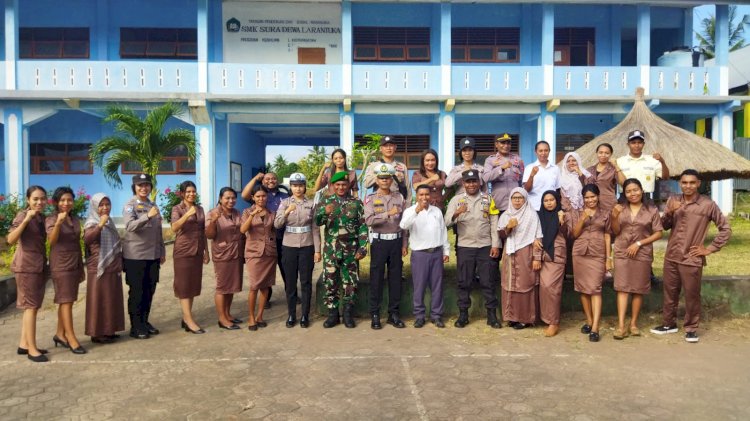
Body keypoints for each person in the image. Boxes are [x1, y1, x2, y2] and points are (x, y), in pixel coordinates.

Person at [651, 169, 731, 343]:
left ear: (698, 184)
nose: (688, 186)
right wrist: (669, 211)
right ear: (680, 183)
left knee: (692, 294)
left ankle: (691, 328)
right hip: (672, 255)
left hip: (691, 257)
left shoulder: (707, 204)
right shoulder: (673, 200)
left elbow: (725, 228)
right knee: (670, 292)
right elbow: (664, 226)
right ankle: (668, 324)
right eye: (684, 182)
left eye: (692, 183)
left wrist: (710, 249)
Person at [445, 169, 501, 329]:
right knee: (464, 281)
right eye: (468, 182)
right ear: (463, 183)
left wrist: (495, 244)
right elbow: (446, 222)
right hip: (465, 246)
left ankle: (491, 315)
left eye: (474, 181)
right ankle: (463, 314)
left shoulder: (488, 199)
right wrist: (456, 213)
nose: (471, 184)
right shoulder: (456, 200)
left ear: (479, 182)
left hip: (485, 246)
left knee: (488, 281)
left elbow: (494, 222)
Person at [611, 179, 663, 340]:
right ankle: (620, 326)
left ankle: (633, 324)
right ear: (624, 194)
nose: (632, 194)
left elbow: (658, 233)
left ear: (642, 190)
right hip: (622, 251)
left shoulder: (651, 210)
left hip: (642, 253)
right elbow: (615, 231)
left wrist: (639, 243)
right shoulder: (620, 208)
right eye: (628, 191)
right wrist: (614, 217)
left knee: (638, 288)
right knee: (622, 288)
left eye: (635, 190)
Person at [315, 171, 368, 328]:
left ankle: (347, 314)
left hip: (351, 251)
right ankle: (332, 314)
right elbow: (317, 221)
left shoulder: (356, 203)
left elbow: (363, 227)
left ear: (348, 185)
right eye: (337, 185)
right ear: (332, 185)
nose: (341, 187)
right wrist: (324, 212)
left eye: (344, 185)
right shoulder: (326, 201)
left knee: (350, 282)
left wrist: (362, 247)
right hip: (331, 250)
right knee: (330, 280)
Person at [274, 173, 321, 328]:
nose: (298, 188)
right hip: (289, 246)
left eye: (300, 185)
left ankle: (305, 316)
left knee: (306, 282)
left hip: (307, 247)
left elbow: (315, 229)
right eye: (294, 185)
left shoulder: (312, 204)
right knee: (291, 283)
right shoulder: (284, 203)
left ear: (304, 187)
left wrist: (317, 250)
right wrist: (287, 211)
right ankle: (291, 315)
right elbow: (277, 224)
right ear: (291, 187)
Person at [122, 173, 166, 339]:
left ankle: (145, 321)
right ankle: (136, 326)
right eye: (140, 185)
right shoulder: (130, 205)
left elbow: (158, 231)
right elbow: (129, 226)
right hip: (136, 256)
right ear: (134, 187)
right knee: (137, 291)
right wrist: (147, 216)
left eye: (147, 185)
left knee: (150, 289)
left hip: (152, 255)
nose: (144, 188)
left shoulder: (153, 204)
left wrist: (161, 251)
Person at [8, 186, 49, 362]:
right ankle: (32, 349)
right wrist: (26, 220)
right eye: (35, 199)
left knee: (33, 306)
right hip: (26, 267)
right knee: (30, 307)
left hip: (38, 266)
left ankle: (24, 344)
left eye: (42, 199)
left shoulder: (41, 218)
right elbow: (10, 240)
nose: (39, 202)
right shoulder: (23, 215)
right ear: (28, 200)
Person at [364, 163, 407, 330]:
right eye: (381, 178)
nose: (384, 180)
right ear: (376, 179)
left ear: (391, 179)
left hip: (396, 241)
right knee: (376, 278)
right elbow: (368, 220)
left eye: (387, 178)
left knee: (395, 278)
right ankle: (375, 313)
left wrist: (404, 243)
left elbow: (403, 223)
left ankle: (393, 313)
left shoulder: (399, 198)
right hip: (380, 242)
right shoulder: (371, 198)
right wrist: (386, 214)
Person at [400, 185, 450, 328]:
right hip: (420, 254)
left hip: (436, 253)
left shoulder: (437, 211)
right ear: (417, 195)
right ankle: (419, 315)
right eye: (421, 194)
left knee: (437, 286)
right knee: (419, 286)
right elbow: (403, 225)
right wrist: (416, 211)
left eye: (427, 194)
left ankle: (436, 315)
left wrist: (446, 251)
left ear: (430, 196)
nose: (424, 197)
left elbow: (443, 232)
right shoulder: (410, 211)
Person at [46, 186, 86, 354]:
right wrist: (58, 223)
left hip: (74, 263)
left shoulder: (75, 219)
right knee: (66, 301)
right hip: (60, 265)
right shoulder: (51, 219)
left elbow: (77, 243)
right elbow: (52, 241)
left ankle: (60, 334)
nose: (66, 203)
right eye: (62, 200)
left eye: (69, 200)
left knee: (67, 300)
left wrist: (80, 267)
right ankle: (71, 338)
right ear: (56, 202)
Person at [241, 171, 289, 308]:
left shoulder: (284, 196)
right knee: (264, 270)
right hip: (264, 239)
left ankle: (291, 293)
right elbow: (244, 195)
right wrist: (255, 178)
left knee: (286, 268)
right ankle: (266, 299)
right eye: (267, 179)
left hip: (284, 237)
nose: (270, 181)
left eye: (273, 178)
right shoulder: (260, 194)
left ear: (277, 180)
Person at [571, 184, 612, 342]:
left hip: (597, 253)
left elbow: (608, 236)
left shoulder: (606, 214)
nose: (590, 200)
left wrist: (608, 259)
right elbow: (574, 234)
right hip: (580, 253)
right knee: (583, 289)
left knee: (595, 289)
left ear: (598, 196)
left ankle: (595, 327)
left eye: (593, 196)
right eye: (587, 197)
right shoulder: (578, 213)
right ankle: (589, 320)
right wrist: (582, 218)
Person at [498, 188, 542, 330]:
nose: (517, 200)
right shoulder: (506, 214)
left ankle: (525, 318)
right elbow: (501, 235)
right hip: (509, 254)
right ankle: (511, 317)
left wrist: (537, 257)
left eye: (520, 197)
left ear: (525, 199)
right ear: (510, 199)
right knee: (510, 284)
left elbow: (538, 236)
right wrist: (508, 228)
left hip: (526, 252)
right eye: (514, 197)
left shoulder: (531, 215)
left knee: (525, 284)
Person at [84, 193, 125, 344]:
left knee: (111, 298)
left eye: (107, 204)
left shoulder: (110, 221)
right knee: (98, 299)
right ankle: (97, 333)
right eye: (101, 205)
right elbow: (88, 239)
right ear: (95, 206)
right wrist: (100, 225)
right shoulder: (91, 222)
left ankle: (109, 330)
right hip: (98, 266)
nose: (105, 208)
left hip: (112, 265)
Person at [170, 181, 209, 334]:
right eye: (188, 192)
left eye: (193, 191)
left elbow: (202, 231)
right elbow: (174, 228)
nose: (191, 194)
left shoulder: (200, 209)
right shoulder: (177, 209)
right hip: (183, 251)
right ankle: (189, 320)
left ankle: (186, 317)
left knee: (192, 285)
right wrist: (186, 214)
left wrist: (206, 251)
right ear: (182, 193)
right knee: (184, 286)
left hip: (198, 251)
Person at [206, 187, 244, 330]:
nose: (230, 200)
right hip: (222, 255)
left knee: (231, 286)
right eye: (227, 198)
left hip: (236, 253)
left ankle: (228, 314)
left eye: (233, 198)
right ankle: (222, 319)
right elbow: (209, 235)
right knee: (222, 287)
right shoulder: (213, 213)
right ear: (220, 199)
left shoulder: (236, 212)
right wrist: (213, 222)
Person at [241, 187, 277, 331]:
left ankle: (260, 315)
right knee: (254, 286)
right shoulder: (246, 212)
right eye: (258, 196)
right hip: (254, 252)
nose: (261, 198)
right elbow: (243, 230)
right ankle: (251, 316)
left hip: (269, 252)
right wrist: (252, 216)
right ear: (253, 197)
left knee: (265, 285)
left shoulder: (271, 213)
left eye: (263, 196)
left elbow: (275, 229)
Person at [535, 191, 569, 337]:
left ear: (557, 201)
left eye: (552, 200)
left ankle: (554, 322)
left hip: (556, 256)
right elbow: (535, 233)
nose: (549, 203)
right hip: (543, 256)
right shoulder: (539, 216)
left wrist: (561, 220)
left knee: (552, 288)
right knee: (543, 288)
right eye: (546, 200)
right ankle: (546, 318)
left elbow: (568, 233)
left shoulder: (562, 215)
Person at [614, 130, 669, 199]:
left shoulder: (652, 160)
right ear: (628, 144)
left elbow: (665, 177)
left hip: (646, 199)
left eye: (639, 143)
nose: (637, 145)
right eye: (633, 143)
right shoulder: (619, 162)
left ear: (644, 144)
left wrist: (662, 162)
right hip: (625, 199)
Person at [482, 133, 524, 214]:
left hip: (515, 204)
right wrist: (501, 168)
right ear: (496, 144)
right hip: (497, 204)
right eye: (503, 143)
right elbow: (486, 178)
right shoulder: (490, 160)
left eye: (508, 143)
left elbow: (521, 181)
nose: (506, 145)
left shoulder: (518, 160)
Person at [363, 135, 411, 203]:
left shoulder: (402, 167)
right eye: (385, 146)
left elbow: (408, 188)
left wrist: (407, 208)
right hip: (379, 203)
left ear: (395, 147)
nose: (388, 148)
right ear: (380, 148)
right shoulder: (374, 166)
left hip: (397, 203)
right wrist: (379, 173)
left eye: (391, 145)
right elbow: (366, 184)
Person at [523, 140, 560, 211]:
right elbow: (527, 189)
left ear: (549, 151)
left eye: (546, 150)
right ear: (536, 152)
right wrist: (532, 175)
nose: (543, 153)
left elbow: (558, 189)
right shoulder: (529, 168)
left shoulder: (555, 168)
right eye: (540, 151)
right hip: (535, 207)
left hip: (551, 208)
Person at [585, 143, 618, 212]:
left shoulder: (613, 169)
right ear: (597, 153)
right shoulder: (589, 170)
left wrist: (616, 166)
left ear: (611, 154)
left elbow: (623, 182)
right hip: (592, 204)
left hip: (608, 204)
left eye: (607, 153)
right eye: (600, 152)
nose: (603, 155)